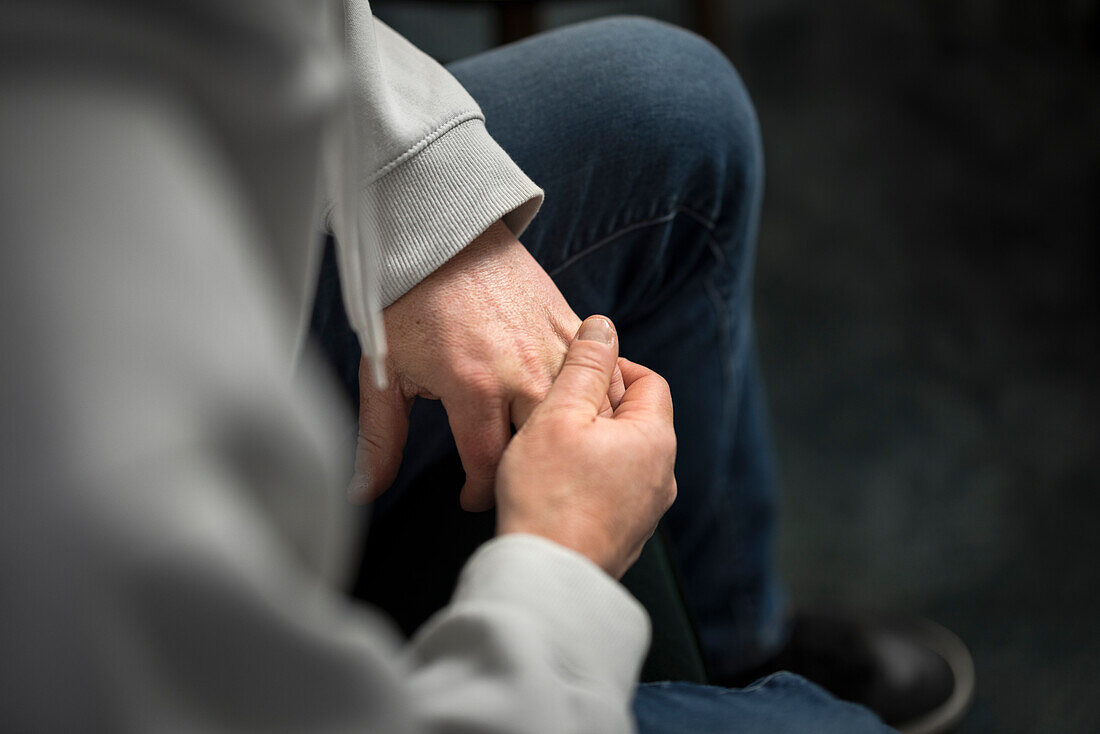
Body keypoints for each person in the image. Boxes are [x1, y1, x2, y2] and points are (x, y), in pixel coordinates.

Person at [0, 2, 967, 733]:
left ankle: (734, 637)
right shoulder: (74, 470)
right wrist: (561, 557)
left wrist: (417, 209)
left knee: (671, 115)